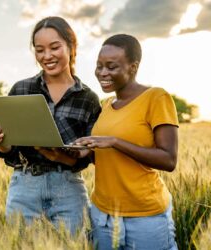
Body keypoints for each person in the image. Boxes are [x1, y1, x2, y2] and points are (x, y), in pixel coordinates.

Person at [0, 16, 101, 235]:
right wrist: (0, 142)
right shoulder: (21, 89)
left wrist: (73, 153)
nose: (47, 56)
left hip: (68, 187)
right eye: (39, 50)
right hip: (25, 186)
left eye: (54, 47)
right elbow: (9, 152)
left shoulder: (88, 98)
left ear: (71, 45)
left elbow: (92, 154)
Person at [74, 34, 179, 249]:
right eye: (99, 66)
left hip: (145, 218)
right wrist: (88, 152)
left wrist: (115, 141)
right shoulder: (106, 105)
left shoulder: (156, 97)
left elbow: (169, 160)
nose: (103, 73)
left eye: (111, 67)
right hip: (103, 216)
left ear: (133, 67)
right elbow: (111, 159)